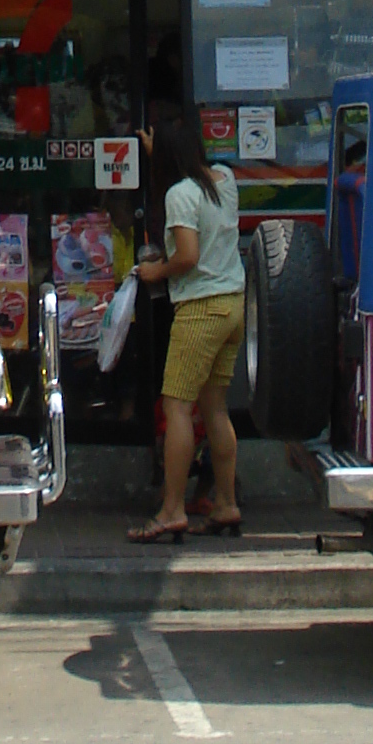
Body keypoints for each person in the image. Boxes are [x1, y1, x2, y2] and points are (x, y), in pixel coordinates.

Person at [127, 98, 245, 542]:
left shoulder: (179, 194)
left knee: (177, 406)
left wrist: (157, 270)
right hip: (233, 302)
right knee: (215, 406)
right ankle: (226, 503)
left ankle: (172, 510)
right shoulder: (225, 180)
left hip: (200, 308)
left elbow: (188, 257)